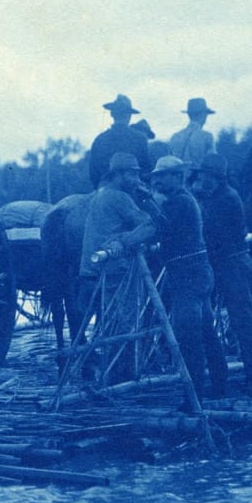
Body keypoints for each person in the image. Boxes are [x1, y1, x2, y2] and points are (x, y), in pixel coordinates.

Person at [148, 155, 228, 406]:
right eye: (157, 177)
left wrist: (125, 240)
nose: (158, 181)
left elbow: (156, 229)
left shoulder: (177, 203)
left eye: (163, 176)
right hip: (200, 272)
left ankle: (193, 397)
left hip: (187, 276)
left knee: (188, 336)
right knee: (207, 332)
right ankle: (220, 385)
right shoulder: (187, 199)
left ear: (177, 176)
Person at [77, 152, 158, 380]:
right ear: (119, 175)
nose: (136, 180)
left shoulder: (100, 195)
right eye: (132, 174)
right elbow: (150, 225)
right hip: (114, 271)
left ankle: (106, 372)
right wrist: (148, 199)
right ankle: (119, 377)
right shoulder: (120, 198)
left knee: (108, 324)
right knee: (124, 322)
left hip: (92, 270)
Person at [194, 154, 252, 392]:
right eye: (203, 175)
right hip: (224, 262)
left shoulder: (226, 199)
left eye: (208, 176)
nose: (203, 180)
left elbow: (211, 233)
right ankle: (225, 376)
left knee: (242, 320)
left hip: (233, 264)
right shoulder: (214, 196)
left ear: (217, 178)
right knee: (230, 319)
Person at [87, 94, 154, 187]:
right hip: (132, 189)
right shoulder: (140, 139)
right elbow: (147, 169)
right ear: (129, 116)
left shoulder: (100, 139)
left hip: (104, 189)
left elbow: (93, 174)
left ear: (112, 114)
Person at [167, 97, 216, 169]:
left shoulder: (175, 137)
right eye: (205, 114)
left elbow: (169, 163)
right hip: (198, 179)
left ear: (189, 115)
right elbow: (212, 164)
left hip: (177, 178)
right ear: (202, 115)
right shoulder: (207, 137)